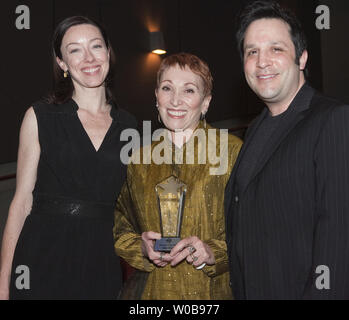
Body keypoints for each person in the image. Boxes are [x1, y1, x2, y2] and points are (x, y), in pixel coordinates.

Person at [0, 16, 136, 300]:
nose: (88, 57)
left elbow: (130, 205)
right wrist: (3, 286)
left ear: (108, 53)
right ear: (62, 63)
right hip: (42, 254)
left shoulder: (130, 126)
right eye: (74, 50)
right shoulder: (40, 116)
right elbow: (21, 202)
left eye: (96, 46)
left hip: (101, 259)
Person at [225, 0, 349, 299]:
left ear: (302, 58)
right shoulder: (254, 129)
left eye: (276, 49)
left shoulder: (333, 119)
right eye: (251, 51)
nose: (262, 61)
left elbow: (339, 239)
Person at [113, 53, 242, 299]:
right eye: (167, 88)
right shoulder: (139, 161)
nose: (175, 100)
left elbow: (252, 229)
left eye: (189, 90)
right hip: (153, 294)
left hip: (211, 294)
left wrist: (213, 253)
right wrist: (140, 246)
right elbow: (120, 225)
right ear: (156, 97)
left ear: (205, 102)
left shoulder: (231, 151)